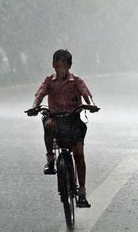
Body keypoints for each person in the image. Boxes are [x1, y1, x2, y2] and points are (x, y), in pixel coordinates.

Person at [25, 49, 99, 208]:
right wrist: (33, 108)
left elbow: (87, 95)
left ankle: (82, 193)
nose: (61, 69)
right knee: (48, 124)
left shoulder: (77, 81)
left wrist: (91, 106)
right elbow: (39, 95)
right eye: (58, 66)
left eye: (64, 65)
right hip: (56, 120)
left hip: (73, 120)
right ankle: (50, 160)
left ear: (69, 66)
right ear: (53, 65)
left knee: (79, 153)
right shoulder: (49, 81)